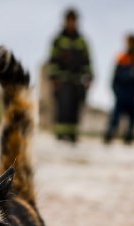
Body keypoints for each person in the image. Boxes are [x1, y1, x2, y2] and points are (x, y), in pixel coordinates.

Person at [47, 8, 93, 143]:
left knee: (75, 108)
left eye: (74, 21)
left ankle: (73, 136)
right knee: (63, 108)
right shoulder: (58, 40)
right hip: (62, 80)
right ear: (66, 21)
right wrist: (54, 78)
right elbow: (52, 60)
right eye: (69, 20)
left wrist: (89, 77)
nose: (72, 23)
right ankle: (61, 135)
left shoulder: (82, 41)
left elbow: (88, 61)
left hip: (77, 81)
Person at [104, 33, 134, 145]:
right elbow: (114, 77)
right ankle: (110, 134)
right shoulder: (121, 58)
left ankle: (129, 136)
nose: (131, 44)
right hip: (121, 92)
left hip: (133, 92)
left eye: (132, 42)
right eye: (129, 42)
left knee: (132, 116)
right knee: (115, 115)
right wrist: (115, 90)